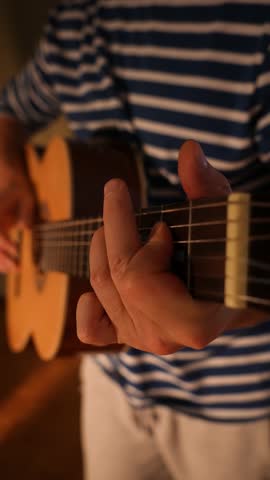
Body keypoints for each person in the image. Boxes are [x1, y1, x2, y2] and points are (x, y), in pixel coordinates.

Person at [0, 1, 270, 478]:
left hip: (236, 403)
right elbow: (9, 113)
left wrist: (233, 307)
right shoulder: (77, 19)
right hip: (107, 375)